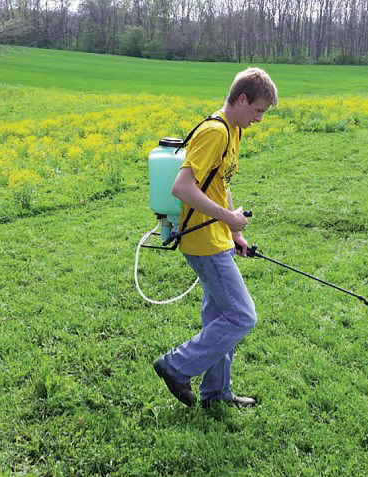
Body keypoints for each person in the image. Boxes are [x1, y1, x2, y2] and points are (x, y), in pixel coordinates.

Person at [153, 67, 278, 408]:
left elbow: (220, 185)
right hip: (203, 242)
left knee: (220, 318)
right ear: (241, 99)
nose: (259, 119)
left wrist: (235, 230)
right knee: (242, 316)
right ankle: (176, 365)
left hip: (218, 237)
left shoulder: (234, 130)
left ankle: (216, 394)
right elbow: (181, 188)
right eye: (258, 111)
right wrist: (227, 219)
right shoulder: (215, 132)